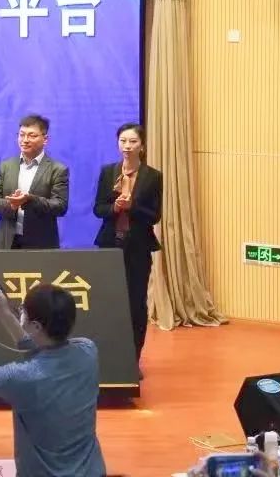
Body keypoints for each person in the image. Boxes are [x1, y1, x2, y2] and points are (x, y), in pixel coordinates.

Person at [0, 284, 106, 477]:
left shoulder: (24, 377)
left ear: (36, 326)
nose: (21, 313)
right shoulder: (88, 351)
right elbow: (42, 349)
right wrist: (4, 314)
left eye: (23, 311)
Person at [93, 122, 162, 377]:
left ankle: (133, 359)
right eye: (123, 141)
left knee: (135, 304)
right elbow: (98, 209)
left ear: (141, 146)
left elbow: (154, 215)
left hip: (138, 247)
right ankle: (107, 357)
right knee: (108, 302)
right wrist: (115, 208)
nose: (127, 146)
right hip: (109, 244)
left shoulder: (152, 176)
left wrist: (132, 206)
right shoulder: (108, 172)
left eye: (133, 141)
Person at [0, 115, 69, 250]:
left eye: (32, 136)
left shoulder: (58, 169)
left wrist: (30, 200)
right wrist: (11, 204)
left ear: (45, 139)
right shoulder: (5, 166)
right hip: (6, 242)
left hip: (41, 244)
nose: (25, 140)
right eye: (21, 135)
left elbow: (60, 206)